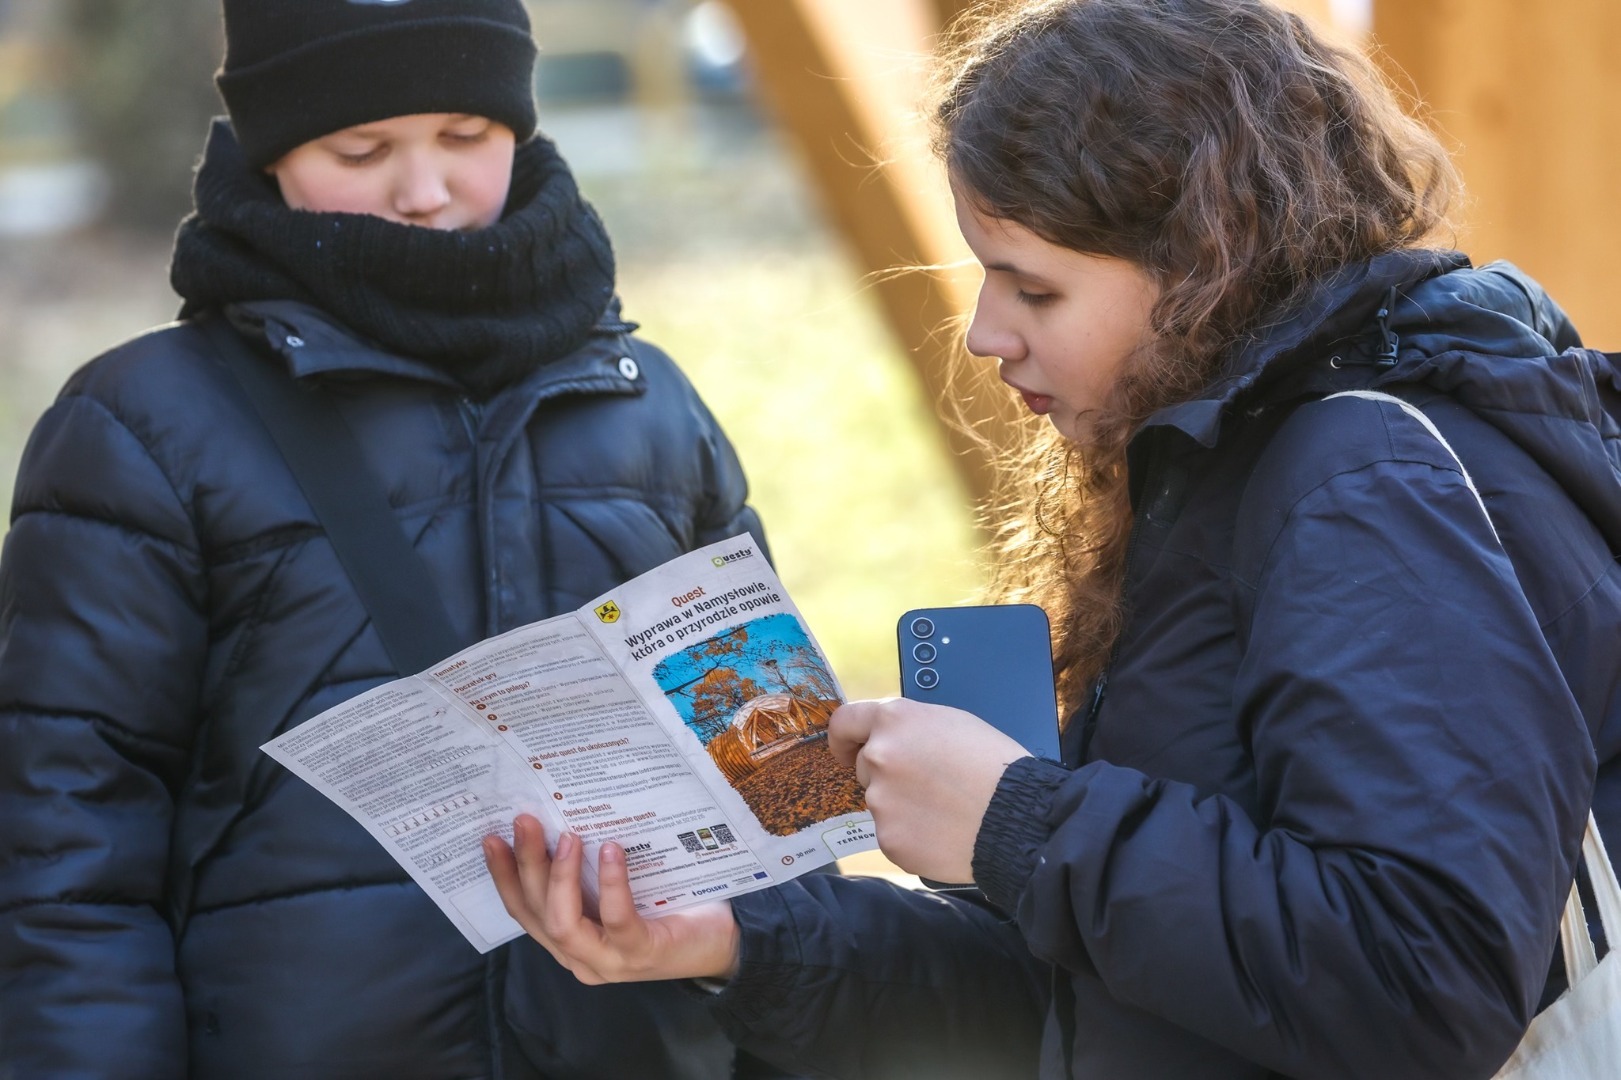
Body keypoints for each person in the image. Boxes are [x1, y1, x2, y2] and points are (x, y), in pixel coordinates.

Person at [481, 1, 1621, 1077]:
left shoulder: (1364, 484)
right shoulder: (1223, 476)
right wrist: (734, 938)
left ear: (1200, 263)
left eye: (1031, 289)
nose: (984, 334)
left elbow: (1423, 980)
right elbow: (1106, 995)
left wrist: (1019, 819)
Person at [0, 1, 777, 1076]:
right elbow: (64, 853)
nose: (423, 191)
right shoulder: (144, 427)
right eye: (359, 150)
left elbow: (772, 799)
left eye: (467, 135)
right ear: (271, 155)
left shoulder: (649, 411)